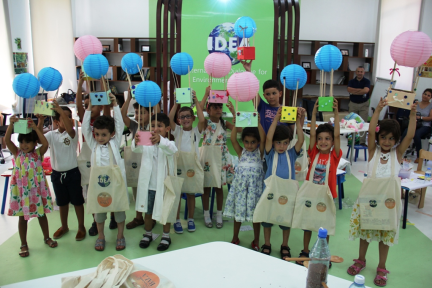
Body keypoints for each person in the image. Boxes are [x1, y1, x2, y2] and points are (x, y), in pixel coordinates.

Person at [347, 98, 416, 287]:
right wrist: (378, 109)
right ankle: (361, 260)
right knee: (365, 232)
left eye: (391, 138)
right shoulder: (372, 151)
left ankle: (382, 267)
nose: (387, 141)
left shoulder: (397, 154)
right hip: (369, 201)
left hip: (388, 203)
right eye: (383, 137)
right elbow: (370, 130)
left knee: (385, 236)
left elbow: (410, 136)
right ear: (378, 138)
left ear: (397, 140)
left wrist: (412, 115)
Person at [296, 99, 342, 266]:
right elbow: (313, 133)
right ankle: (305, 251)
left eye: (327, 139)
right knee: (307, 224)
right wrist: (313, 113)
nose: (323, 142)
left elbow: (337, 134)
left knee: (325, 227)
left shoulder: (334, 155)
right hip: (310, 194)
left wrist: (336, 114)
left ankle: (323, 254)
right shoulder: (314, 151)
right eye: (321, 139)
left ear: (332, 141)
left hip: (326, 196)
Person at [82, 93, 128, 251]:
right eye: (97, 134)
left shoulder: (115, 142)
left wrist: (115, 105)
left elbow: (120, 124)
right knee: (99, 211)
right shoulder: (93, 144)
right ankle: (101, 236)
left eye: (104, 135)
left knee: (119, 208)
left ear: (112, 134)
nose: (100, 138)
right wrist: (89, 108)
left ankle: (120, 236)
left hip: (115, 182)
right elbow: (84, 127)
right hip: (98, 184)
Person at [6, 117, 57, 257]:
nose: (24, 145)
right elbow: (6, 141)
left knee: (41, 215)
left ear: (35, 143)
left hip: (36, 192)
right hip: (22, 192)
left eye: (27, 142)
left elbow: (45, 143)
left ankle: (47, 237)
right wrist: (10, 125)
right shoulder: (17, 153)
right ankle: (23, 243)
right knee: (22, 218)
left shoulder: (37, 154)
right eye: (21, 142)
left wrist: (35, 128)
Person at [36, 101, 86, 242]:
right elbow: (40, 142)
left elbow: (70, 128)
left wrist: (59, 109)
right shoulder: (51, 135)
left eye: (69, 116)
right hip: (57, 175)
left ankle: (81, 226)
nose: (68, 119)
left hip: (73, 173)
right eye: (64, 117)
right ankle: (64, 226)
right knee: (61, 203)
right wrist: (40, 121)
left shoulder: (72, 133)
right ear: (57, 121)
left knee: (77, 202)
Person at [260, 107, 305, 257]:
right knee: (267, 218)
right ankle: (267, 243)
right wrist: (275, 119)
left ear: (288, 143)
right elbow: (268, 138)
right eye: (278, 143)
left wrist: (298, 121)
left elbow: (301, 139)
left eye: (285, 143)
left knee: (286, 221)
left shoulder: (291, 154)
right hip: (271, 192)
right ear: (273, 143)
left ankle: (284, 244)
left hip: (287, 193)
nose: (281, 146)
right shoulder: (270, 153)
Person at [76, 72, 115, 235]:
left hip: (105, 157)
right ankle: (95, 220)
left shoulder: (104, 118)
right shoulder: (84, 118)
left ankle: (113, 215)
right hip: (88, 156)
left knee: (110, 187)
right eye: (87, 105)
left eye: (93, 103)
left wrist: (101, 80)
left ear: (100, 105)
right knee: (91, 190)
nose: (89, 107)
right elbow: (79, 104)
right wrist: (80, 83)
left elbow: (106, 100)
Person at [133, 113, 178, 251]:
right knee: (147, 211)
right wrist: (136, 141)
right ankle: (148, 234)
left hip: (164, 186)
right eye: (153, 125)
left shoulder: (169, 143)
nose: (156, 128)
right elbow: (136, 149)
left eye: (160, 126)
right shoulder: (147, 144)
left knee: (165, 212)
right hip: (149, 186)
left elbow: (172, 151)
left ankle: (166, 236)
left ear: (167, 129)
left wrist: (160, 141)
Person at [223, 111, 265, 250]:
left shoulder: (260, 153)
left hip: (255, 191)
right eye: (246, 142)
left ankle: (256, 240)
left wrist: (258, 123)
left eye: (253, 142)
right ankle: (235, 237)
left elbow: (264, 139)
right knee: (238, 213)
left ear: (258, 142)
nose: (249, 145)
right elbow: (233, 140)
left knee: (256, 216)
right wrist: (235, 125)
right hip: (240, 189)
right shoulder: (242, 152)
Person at [169, 91, 206, 234]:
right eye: (182, 117)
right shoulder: (177, 131)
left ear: (193, 118)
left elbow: (202, 120)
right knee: (177, 193)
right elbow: (169, 117)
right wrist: (177, 101)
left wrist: (196, 101)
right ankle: (177, 220)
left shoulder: (197, 131)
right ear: (179, 120)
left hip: (192, 167)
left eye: (188, 116)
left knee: (190, 193)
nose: (185, 119)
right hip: (178, 166)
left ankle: (191, 219)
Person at [198, 98, 235, 229]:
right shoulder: (204, 123)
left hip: (221, 157)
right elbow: (199, 115)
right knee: (206, 187)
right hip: (208, 157)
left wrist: (234, 112)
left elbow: (239, 129)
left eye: (220, 107)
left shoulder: (225, 123)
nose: (219, 109)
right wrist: (205, 95)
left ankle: (219, 214)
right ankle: (206, 214)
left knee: (219, 188)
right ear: (208, 110)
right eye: (215, 107)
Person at [121, 89, 152, 230]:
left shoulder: (153, 125)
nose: (139, 115)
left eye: (142, 112)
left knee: (150, 191)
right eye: (137, 112)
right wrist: (128, 98)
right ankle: (139, 218)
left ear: (150, 114)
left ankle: (150, 217)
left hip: (150, 164)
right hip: (136, 164)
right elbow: (122, 114)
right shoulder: (134, 125)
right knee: (138, 191)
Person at [240, 60, 294, 134]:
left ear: (280, 94)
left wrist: (301, 117)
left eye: (274, 93)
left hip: (280, 145)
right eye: (268, 94)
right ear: (264, 96)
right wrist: (248, 71)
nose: (271, 97)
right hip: (263, 145)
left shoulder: (287, 111)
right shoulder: (262, 106)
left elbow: (295, 132)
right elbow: (253, 88)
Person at [401, 88, 432, 163]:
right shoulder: (416, 103)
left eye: (428, 95)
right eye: (425, 94)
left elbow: (430, 118)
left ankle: (419, 156)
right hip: (414, 123)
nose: (426, 96)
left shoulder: (431, 106)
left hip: (425, 125)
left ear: (430, 98)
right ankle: (400, 152)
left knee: (416, 134)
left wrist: (420, 117)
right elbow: (410, 114)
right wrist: (413, 116)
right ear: (422, 94)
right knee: (405, 132)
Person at [347, 66, 371, 146]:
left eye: (361, 71)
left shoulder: (367, 81)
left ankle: (362, 142)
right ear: (356, 72)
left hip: (363, 105)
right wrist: (361, 91)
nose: (360, 73)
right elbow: (349, 90)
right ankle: (352, 141)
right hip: (353, 104)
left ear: (364, 73)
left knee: (362, 123)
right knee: (351, 123)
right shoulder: (351, 81)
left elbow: (366, 90)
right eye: (358, 71)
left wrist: (355, 91)